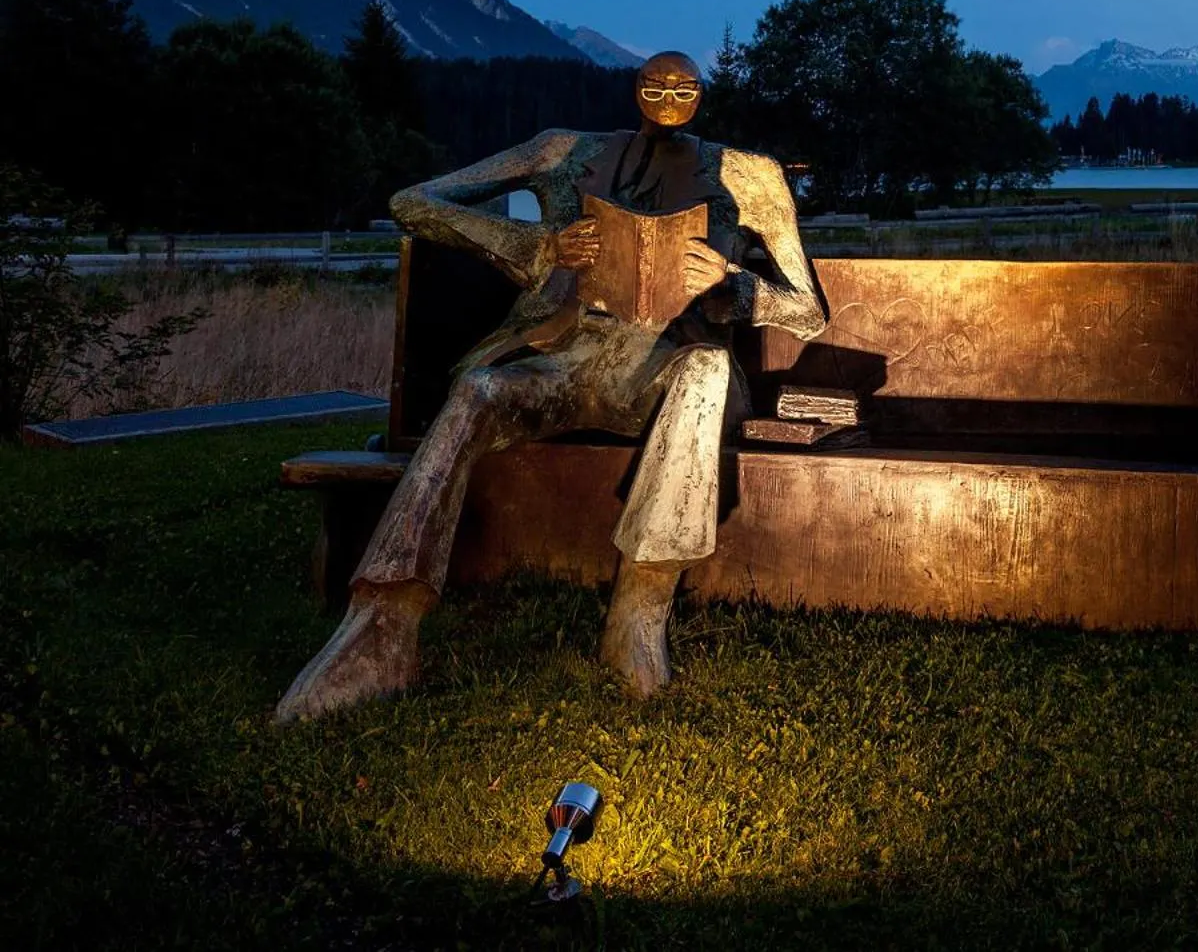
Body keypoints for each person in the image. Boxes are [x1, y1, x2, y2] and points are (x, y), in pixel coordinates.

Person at [275, 51, 826, 723]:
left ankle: (639, 611)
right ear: (636, 91)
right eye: (656, 85)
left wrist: (732, 283)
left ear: (700, 94)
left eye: (685, 87)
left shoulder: (750, 176)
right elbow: (412, 203)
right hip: (565, 357)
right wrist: (538, 247)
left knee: (706, 373)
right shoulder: (562, 151)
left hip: (668, 365)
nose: (669, 95)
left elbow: (808, 312)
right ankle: (382, 623)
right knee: (479, 390)